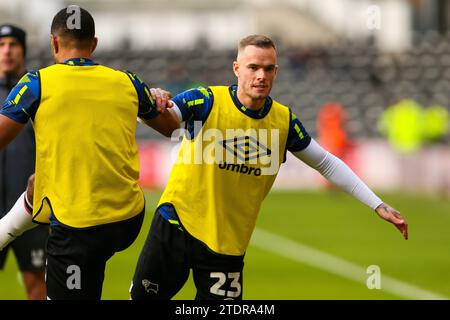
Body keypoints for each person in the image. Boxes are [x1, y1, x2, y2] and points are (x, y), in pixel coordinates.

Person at [130, 35, 408, 300]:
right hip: (177, 223)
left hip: (228, 243)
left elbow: (325, 162)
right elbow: (162, 118)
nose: (261, 76)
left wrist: (377, 204)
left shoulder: (283, 121)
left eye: (268, 68)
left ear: (276, 71)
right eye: (253, 67)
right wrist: (154, 101)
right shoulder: (206, 101)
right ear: (237, 69)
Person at [0, 6, 178, 299]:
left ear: (54, 43)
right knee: (39, 184)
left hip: (76, 227)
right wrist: (157, 97)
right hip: (127, 220)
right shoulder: (128, 81)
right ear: (94, 44)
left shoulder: (36, 82)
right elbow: (172, 128)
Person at [0, 24, 47, 300]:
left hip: (30, 212)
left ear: (23, 50)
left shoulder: (36, 95)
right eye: (2, 44)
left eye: (13, 45)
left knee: (36, 289)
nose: (7, 50)